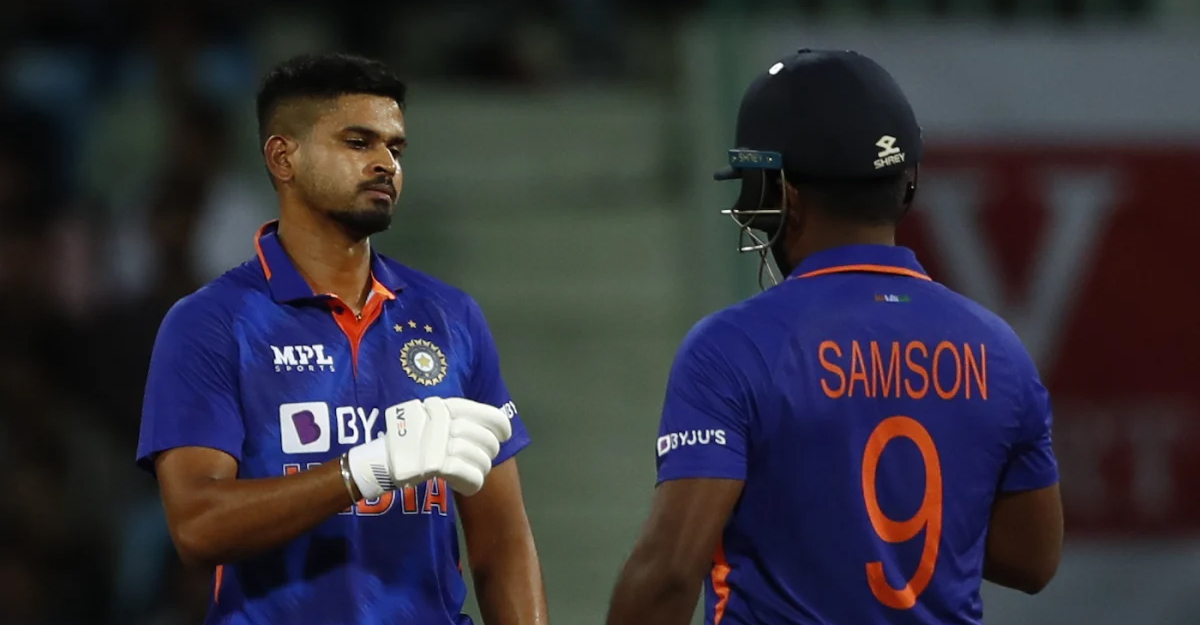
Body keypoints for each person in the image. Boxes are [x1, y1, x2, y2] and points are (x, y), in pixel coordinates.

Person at [604, 49, 1063, 625]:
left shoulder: (733, 347)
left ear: (784, 194)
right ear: (908, 181)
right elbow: (1033, 559)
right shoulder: (999, 349)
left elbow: (670, 575)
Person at [135, 52, 548, 625]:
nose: (385, 164)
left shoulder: (451, 317)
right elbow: (197, 526)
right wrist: (367, 470)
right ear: (283, 157)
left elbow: (501, 541)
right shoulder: (211, 323)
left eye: (395, 149)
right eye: (358, 142)